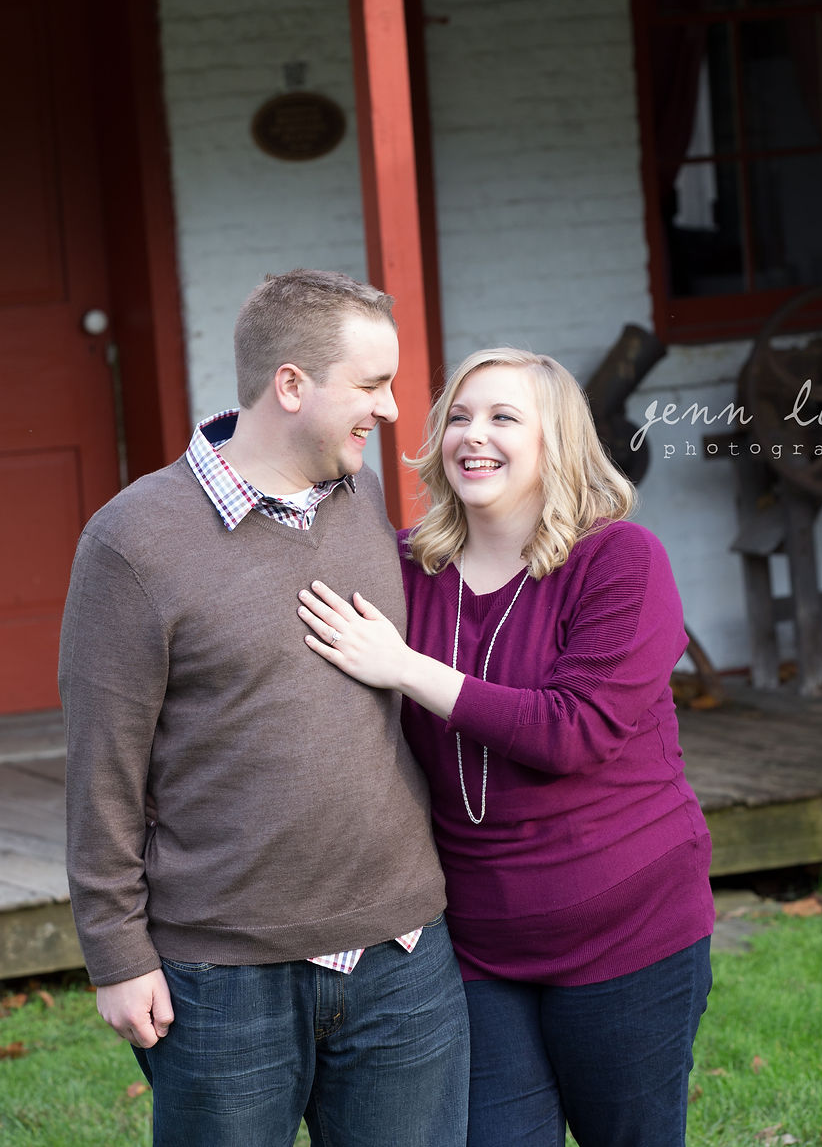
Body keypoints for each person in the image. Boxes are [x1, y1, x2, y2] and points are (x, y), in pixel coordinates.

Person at [58, 268, 469, 1147]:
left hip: (400, 955)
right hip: (223, 975)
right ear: (291, 385)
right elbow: (103, 769)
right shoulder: (132, 542)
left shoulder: (362, 499)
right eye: (371, 385)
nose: (392, 409)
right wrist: (116, 955)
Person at [298, 346, 714, 1147]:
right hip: (480, 942)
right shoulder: (404, 570)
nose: (473, 435)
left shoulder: (619, 561)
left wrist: (405, 667)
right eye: (458, 416)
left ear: (556, 440)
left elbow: (574, 730)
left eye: (503, 417)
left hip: (629, 930)